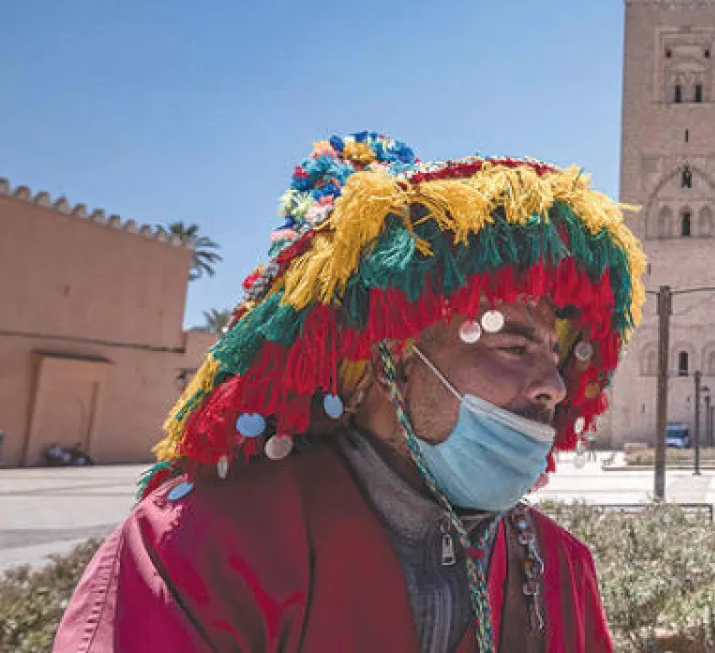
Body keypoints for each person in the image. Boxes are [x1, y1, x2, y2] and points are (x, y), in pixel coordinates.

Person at [55, 132, 646, 653]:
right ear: (383, 360)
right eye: (513, 348)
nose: (552, 386)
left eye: (555, 357)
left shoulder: (559, 571)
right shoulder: (199, 548)